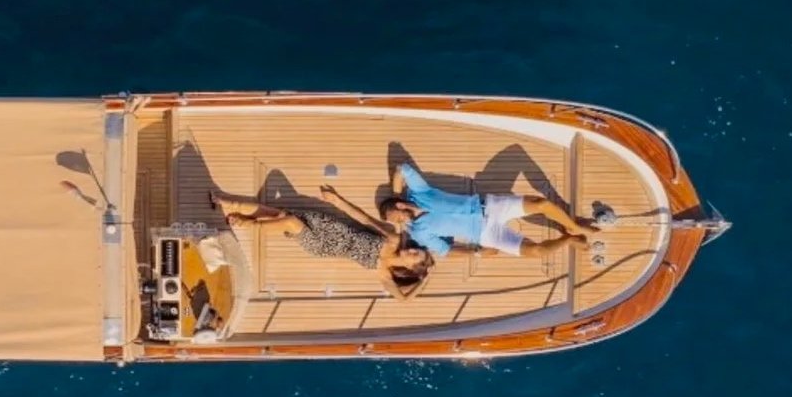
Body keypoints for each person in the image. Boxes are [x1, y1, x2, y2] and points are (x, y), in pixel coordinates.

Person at [211, 187, 434, 301]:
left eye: (415, 256)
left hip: (323, 245)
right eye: (417, 249)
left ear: (410, 268)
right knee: (276, 214)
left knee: (288, 221)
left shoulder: (385, 273)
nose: (413, 250)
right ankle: (228, 203)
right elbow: (364, 219)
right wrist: (337, 200)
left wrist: (422, 282)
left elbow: (403, 300)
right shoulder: (393, 239)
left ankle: (245, 224)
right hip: (331, 225)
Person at [379, 163, 596, 259]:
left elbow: (402, 169)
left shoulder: (419, 193)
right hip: (485, 235)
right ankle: (568, 239)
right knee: (536, 252)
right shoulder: (418, 232)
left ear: (400, 206)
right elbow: (445, 250)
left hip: (489, 206)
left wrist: (396, 193)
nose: (399, 224)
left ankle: (574, 226)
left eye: (396, 218)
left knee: (541, 204)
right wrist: (477, 253)